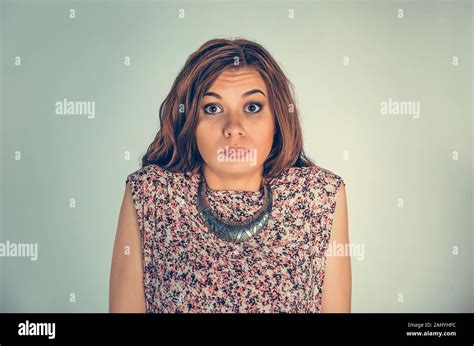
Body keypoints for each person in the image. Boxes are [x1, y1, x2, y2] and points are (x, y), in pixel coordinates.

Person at [109, 38, 351, 313]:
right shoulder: (150, 194)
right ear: (189, 121)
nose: (234, 128)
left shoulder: (320, 196)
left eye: (252, 107)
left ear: (277, 120)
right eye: (212, 108)